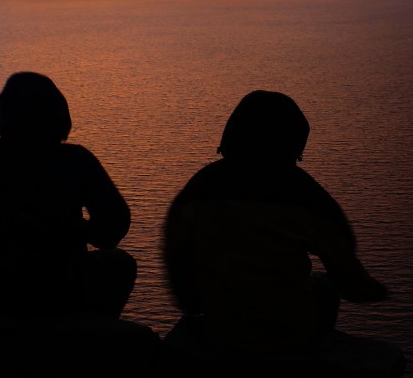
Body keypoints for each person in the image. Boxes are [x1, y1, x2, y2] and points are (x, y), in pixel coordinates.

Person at [163, 90, 387, 356]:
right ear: (293, 144)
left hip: (221, 328)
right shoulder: (303, 193)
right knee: (324, 286)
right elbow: (343, 257)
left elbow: (175, 252)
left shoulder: (199, 188)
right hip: (287, 333)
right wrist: (370, 290)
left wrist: (190, 301)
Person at [0, 72, 136, 318]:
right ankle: (91, 331)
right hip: (63, 283)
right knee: (121, 263)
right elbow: (114, 228)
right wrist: (77, 230)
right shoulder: (75, 160)